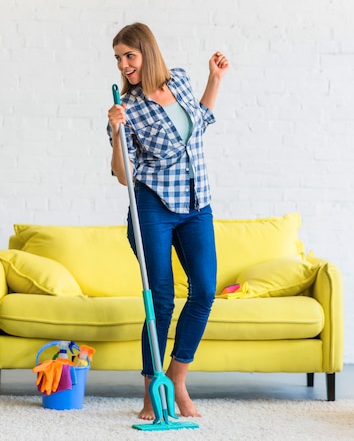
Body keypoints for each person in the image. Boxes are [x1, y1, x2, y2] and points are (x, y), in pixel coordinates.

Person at [107, 22, 229, 420]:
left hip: (197, 204)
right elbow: (124, 175)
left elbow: (202, 122)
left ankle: (176, 379)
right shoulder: (129, 109)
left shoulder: (181, 78)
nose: (124, 65)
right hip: (153, 207)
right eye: (119, 59)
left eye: (130, 55)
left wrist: (215, 79)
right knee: (159, 301)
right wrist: (115, 131)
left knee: (205, 291)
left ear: (147, 51)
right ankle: (150, 392)